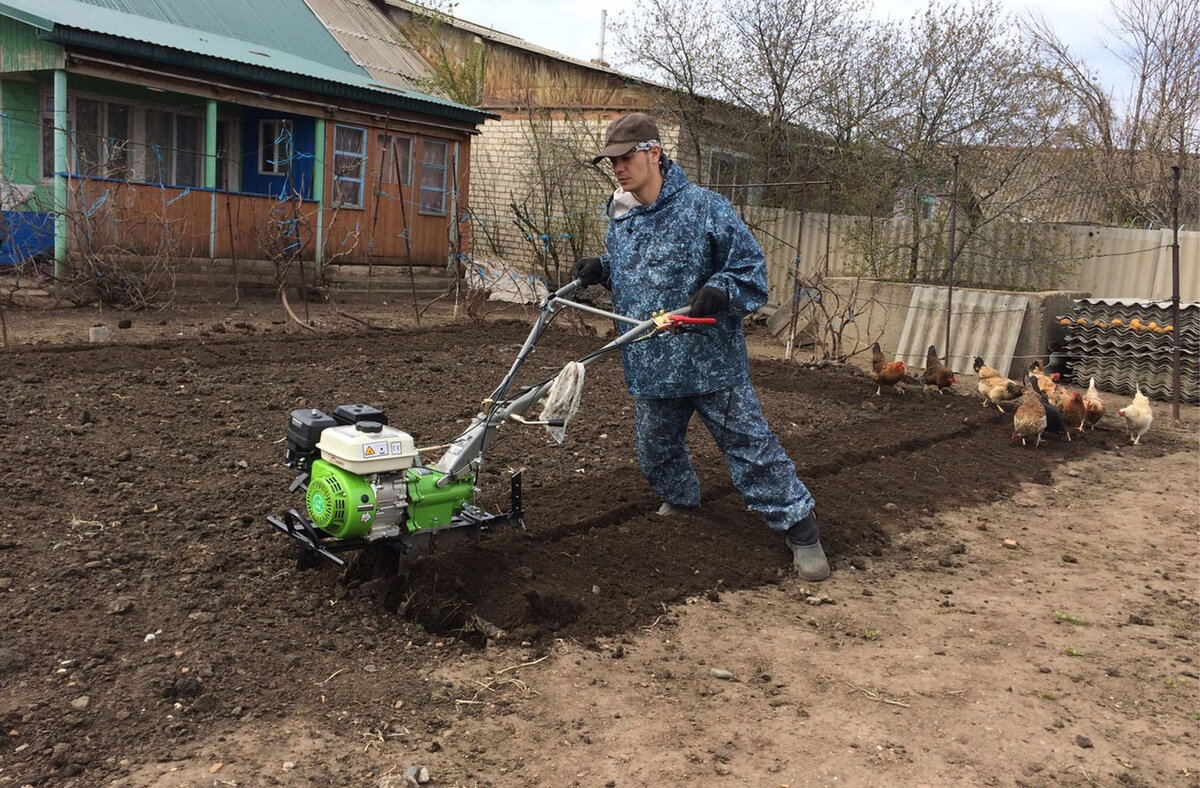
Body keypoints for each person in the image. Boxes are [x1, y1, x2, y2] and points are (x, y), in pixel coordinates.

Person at [572, 112, 830, 582]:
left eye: (626, 158)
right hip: (651, 363)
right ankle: (682, 497)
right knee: (655, 450)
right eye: (612, 162)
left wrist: (722, 289)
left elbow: (751, 271)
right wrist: (603, 269)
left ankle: (801, 528)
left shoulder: (706, 208)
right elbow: (637, 269)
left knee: (750, 448)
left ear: (654, 153)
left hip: (710, 363)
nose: (619, 169)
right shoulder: (622, 217)